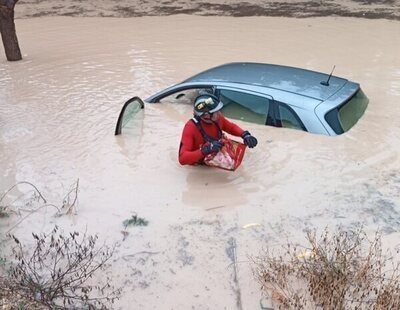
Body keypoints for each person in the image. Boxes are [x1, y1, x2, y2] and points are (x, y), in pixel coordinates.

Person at [178, 93, 258, 166]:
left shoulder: (217, 118)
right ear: (205, 116)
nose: (219, 113)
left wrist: (245, 135)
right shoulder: (190, 128)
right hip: (200, 166)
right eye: (215, 111)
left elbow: (230, 127)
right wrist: (206, 150)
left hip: (215, 155)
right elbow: (182, 159)